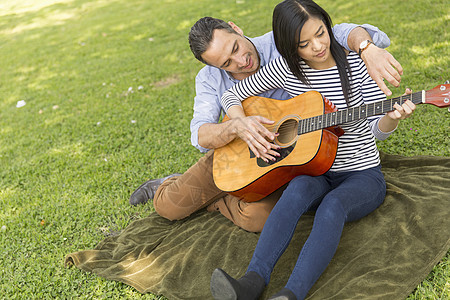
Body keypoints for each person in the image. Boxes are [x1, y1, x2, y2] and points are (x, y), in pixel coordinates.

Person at [209, 0, 415, 299]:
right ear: (290, 48)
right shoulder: (286, 68)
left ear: (327, 24)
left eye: (321, 33)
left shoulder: (356, 65)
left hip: (362, 176)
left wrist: (391, 119)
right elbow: (232, 94)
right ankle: (251, 283)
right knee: (297, 189)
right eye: (304, 44)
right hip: (315, 169)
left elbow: (375, 131)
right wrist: (243, 124)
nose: (318, 46)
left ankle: (291, 294)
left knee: (333, 205)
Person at [129, 16, 404, 233]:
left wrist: (366, 47)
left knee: (259, 219)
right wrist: (236, 127)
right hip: (234, 151)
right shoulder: (209, 79)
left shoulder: (281, 42)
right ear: (213, 66)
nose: (241, 61)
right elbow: (200, 134)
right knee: (169, 206)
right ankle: (168, 184)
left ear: (236, 28)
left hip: (288, 159)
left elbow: (339, 31)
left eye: (236, 47)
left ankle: (223, 196)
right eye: (227, 63)